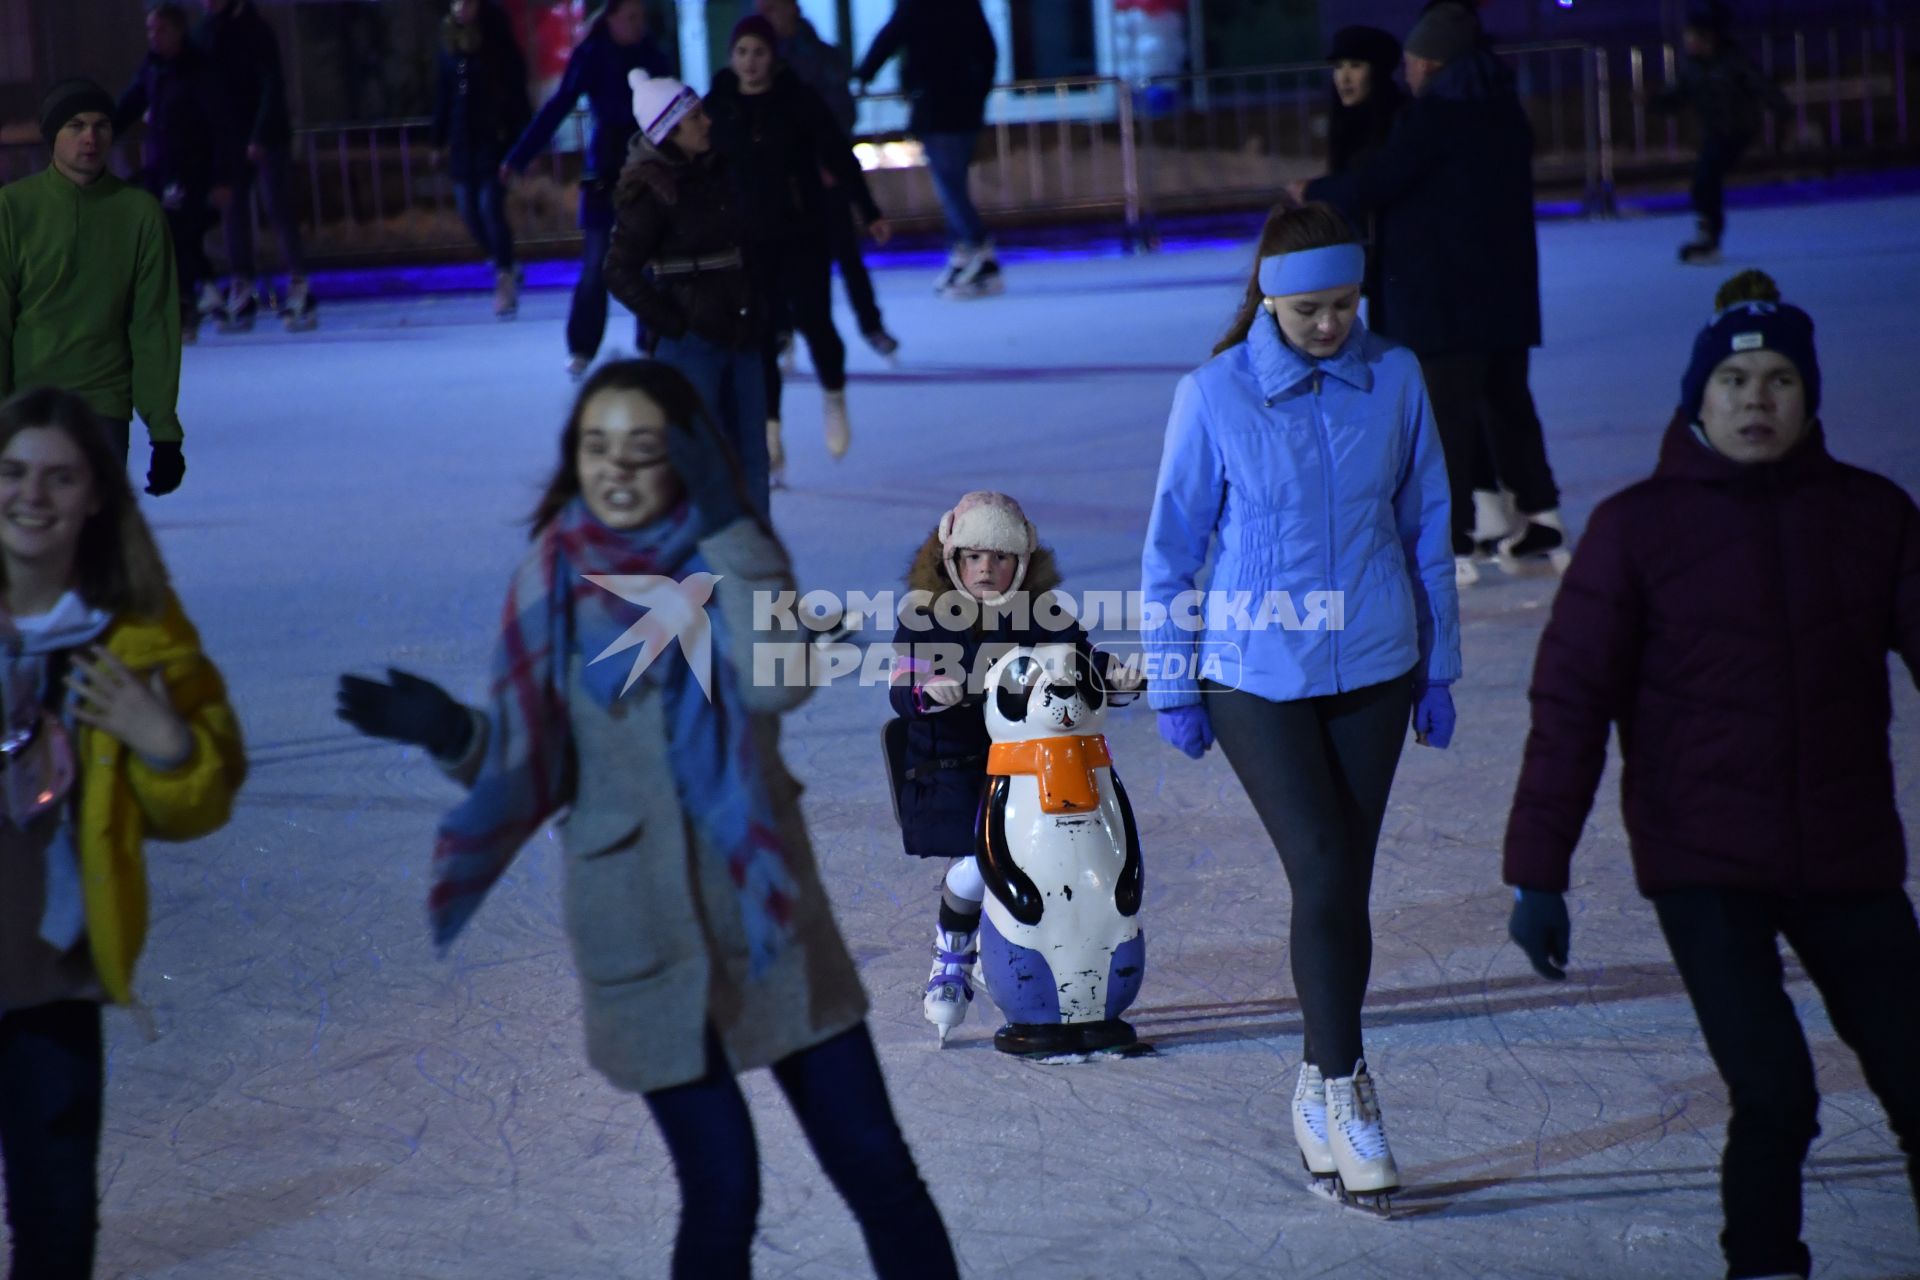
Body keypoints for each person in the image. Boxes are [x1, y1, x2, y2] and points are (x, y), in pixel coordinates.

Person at [334, 359, 959, 1280]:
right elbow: (532, 761)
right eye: (596, 448)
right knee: (724, 1188)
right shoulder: (549, 580)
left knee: (876, 1164)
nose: (616, 469)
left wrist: (731, 525)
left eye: (643, 448)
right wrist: (453, 733)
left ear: (684, 459)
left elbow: (777, 682)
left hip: (766, 917)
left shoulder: (726, 555)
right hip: (643, 925)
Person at [1504, 269, 1920, 1280]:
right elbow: (1571, 706)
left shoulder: (1871, 516)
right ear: (1697, 399)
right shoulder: (1637, 529)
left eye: (1780, 378)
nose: (1757, 398)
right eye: (1736, 382)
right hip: (1707, 865)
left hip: (1848, 851)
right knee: (1777, 1091)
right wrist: (1538, 870)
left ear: (1810, 396)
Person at [1140, 203, 1459, 1212]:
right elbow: (1171, 549)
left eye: (1345, 304)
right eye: (1310, 308)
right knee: (1320, 860)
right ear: (1269, 300)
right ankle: (1348, 1082)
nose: (1331, 325)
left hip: (1372, 658)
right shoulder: (1214, 394)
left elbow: (1428, 520)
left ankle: (1319, 1077)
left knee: (1342, 885)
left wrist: (1438, 662)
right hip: (1252, 668)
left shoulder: (1395, 378)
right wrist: (1176, 677)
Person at [0, 384, 246, 1280]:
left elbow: (203, 800)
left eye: (60, 478)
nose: (32, 496)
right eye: (14, 472)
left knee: (57, 1234)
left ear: (95, 496)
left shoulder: (134, 637)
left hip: (51, 979)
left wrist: (169, 745)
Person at [1301, 1, 1567, 588]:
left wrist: (1313, 191)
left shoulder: (1436, 119)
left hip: (1447, 300)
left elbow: (1381, 181)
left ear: (1440, 63)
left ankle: (1454, 543)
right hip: (1505, 295)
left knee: (1444, 421)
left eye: (1419, 60)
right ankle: (1542, 518)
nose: (1412, 71)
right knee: (1507, 405)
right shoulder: (1503, 113)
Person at [887, 490, 1141, 1043]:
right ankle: (952, 953)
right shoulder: (923, 618)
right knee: (984, 861)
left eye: (1000, 558)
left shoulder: (1045, 616)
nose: (987, 569)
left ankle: (1032, 946)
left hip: (1030, 770)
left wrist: (1114, 681)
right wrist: (930, 691)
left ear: (1021, 563)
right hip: (950, 771)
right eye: (974, 557)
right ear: (951, 561)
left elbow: (1080, 665)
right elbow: (901, 690)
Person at [706, 17, 890, 481]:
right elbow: (700, 168)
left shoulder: (797, 99)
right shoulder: (719, 105)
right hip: (747, 242)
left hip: (800, 232)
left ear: (773, 57)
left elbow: (838, 155)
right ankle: (769, 433)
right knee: (760, 337)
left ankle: (833, 395)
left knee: (814, 321)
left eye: (759, 53)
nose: (750, 63)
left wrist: (868, 211)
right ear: (732, 56)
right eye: (742, 52)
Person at [0, 80, 187, 495]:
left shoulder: (138, 213)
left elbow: (152, 325)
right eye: (76, 125)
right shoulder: (12, 209)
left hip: (103, 406)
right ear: (52, 136)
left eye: (102, 125)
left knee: (91, 543)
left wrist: (164, 431)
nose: (91, 137)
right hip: (28, 406)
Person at [605, 73, 771, 518]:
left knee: (753, 459)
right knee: (699, 462)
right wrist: (673, 323)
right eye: (695, 116)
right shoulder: (649, 189)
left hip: (742, 333)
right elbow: (618, 270)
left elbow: (750, 244)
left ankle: (756, 566)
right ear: (670, 129)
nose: (707, 122)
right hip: (691, 347)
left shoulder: (719, 169)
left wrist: (761, 307)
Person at [501, 0, 670, 378]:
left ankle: (652, 340)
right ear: (610, 18)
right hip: (605, 172)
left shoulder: (652, 55)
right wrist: (518, 156)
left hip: (648, 170)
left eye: (641, 17)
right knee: (596, 265)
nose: (637, 24)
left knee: (650, 263)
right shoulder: (592, 55)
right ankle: (581, 346)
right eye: (630, 17)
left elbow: (673, 108)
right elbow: (559, 106)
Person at [757, 0, 899, 358]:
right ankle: (783, 329)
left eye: (773, 7)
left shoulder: (819, 56)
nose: (767, 13)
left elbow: (840, 113)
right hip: (779, 181)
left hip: (824, 174)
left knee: (846, 253)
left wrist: (827, 162)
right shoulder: (759, 58)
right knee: (783, 260)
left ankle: (871, 325)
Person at [855, 0, 1000, 299]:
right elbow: (988, 51)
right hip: (961, 107)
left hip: (938, 107)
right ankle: (962, 256)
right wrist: (978, 93)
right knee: (952, 183)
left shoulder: (917, 7)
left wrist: (866, 72)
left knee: (949, 186)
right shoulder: (965, 7)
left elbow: (890, 36)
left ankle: (978, 251)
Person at [196, 0, 315, 332]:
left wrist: (261, 134)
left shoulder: (254, 28)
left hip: (266, 134)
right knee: (232, 211)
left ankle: (299, 285)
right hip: (230, 136)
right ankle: (242, 289)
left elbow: (270, 83)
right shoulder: (205, 30)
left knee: (277, 207)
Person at [115, 3, 228, 344]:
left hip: (191, 169)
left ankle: (185, 309)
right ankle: (193, 297)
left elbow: (220, 125)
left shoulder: (198, 69)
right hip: (160, 168)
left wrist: (222, 176)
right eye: (150, 30)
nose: (154, 36)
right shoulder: (153, 66)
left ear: (178, 31)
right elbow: (131, 102)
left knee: (178, 239)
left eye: (160, 29)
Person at [1649, 2, 1794, 264]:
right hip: (1716, 133)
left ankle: (1708, 236)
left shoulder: (1732, 62)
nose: (1687, 41)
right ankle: (1707, 234)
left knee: (1706, 178)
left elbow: (1762, 86)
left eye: (1691, 35)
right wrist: (1653, 102)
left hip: (1738, 130)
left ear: (1708, 38)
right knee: (1704, 180)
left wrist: (1782, 111)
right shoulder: (1694, 68)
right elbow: (1676, 95)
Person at [432, 0, 532, 319]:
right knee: (468, 210)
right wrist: (438, 139)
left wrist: (524, 145)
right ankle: (504, 261)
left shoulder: (498, 44)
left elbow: (517, 94)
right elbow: (444, 96)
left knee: (490, 206)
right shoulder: (449, 45)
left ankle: (503, 278)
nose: (461, 8)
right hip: (463, 142)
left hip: (495, 140)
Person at [1323, 25, 1406, 328]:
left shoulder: (1399, 121)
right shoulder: (1347, 122)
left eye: (1355, 66)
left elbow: (1370, 186)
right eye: (1338, 67)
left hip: (1402, 267)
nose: (1343, 77)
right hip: (1375, 266)